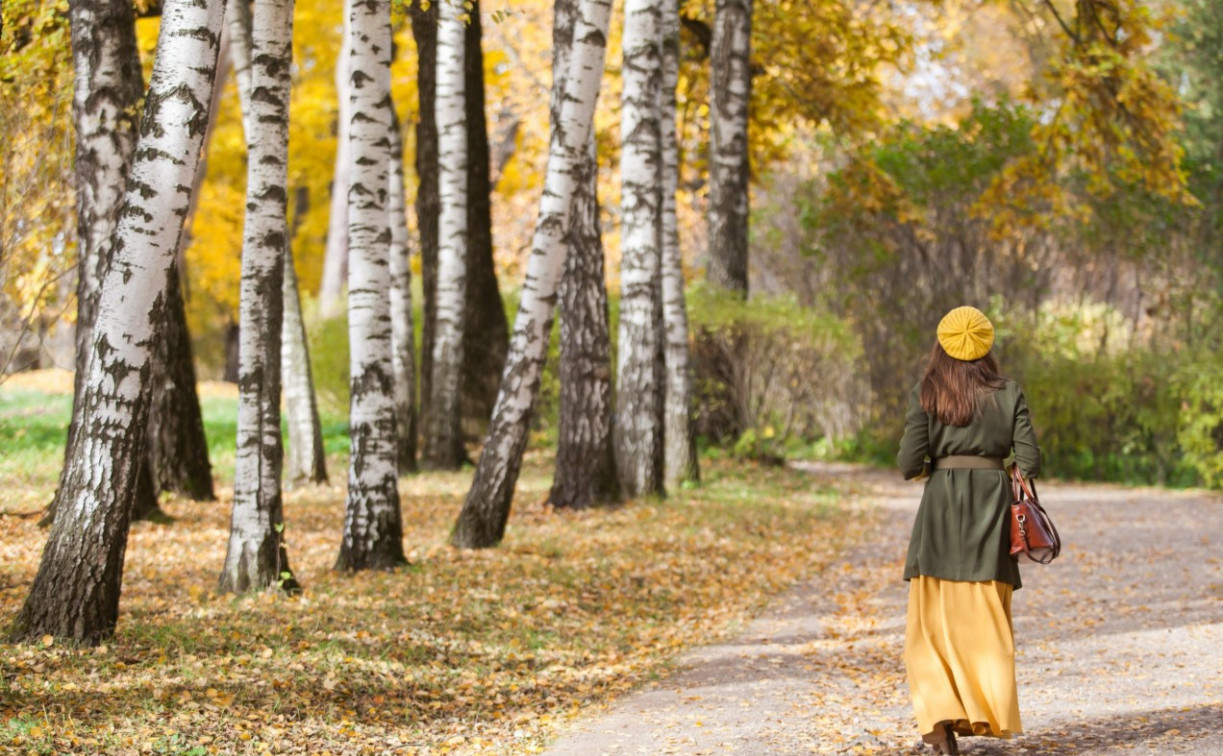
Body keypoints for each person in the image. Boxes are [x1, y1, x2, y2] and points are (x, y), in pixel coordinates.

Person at [897, 306, 1041, 755]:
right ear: (985, 345)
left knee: (930, 627)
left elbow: (907, 464)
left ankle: (937, 722)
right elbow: (1030, 461)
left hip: (940, 513)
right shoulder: (1009, 392)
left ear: (942, 345)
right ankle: (982, 711)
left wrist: (938, 464)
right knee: (986, 621)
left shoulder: (927, 393)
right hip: (992, 512)